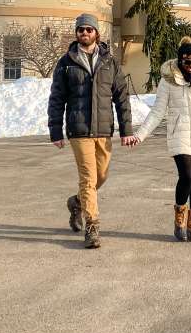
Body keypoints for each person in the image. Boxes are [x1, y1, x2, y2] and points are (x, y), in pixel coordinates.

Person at [48, 14, 136, 249]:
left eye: (89, 29)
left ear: (97, 33)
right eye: (80, 30)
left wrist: (126, 129)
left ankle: (77, 203)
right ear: (77, 34)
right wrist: (55, 130)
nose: (84, 33)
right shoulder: (66, 63)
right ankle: (92, 227)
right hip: (79, 130)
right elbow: (57, 98)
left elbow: (122, 98)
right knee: (88, 178)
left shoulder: (110, 62)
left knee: (101, 176)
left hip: (103, 130)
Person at [133, 36, 191, 242]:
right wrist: (140, 135)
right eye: (187, 62)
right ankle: (179, 220)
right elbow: (157, 112)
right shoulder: (168, 81)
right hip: (179, 134)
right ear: (180, 61)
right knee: (188, 176)